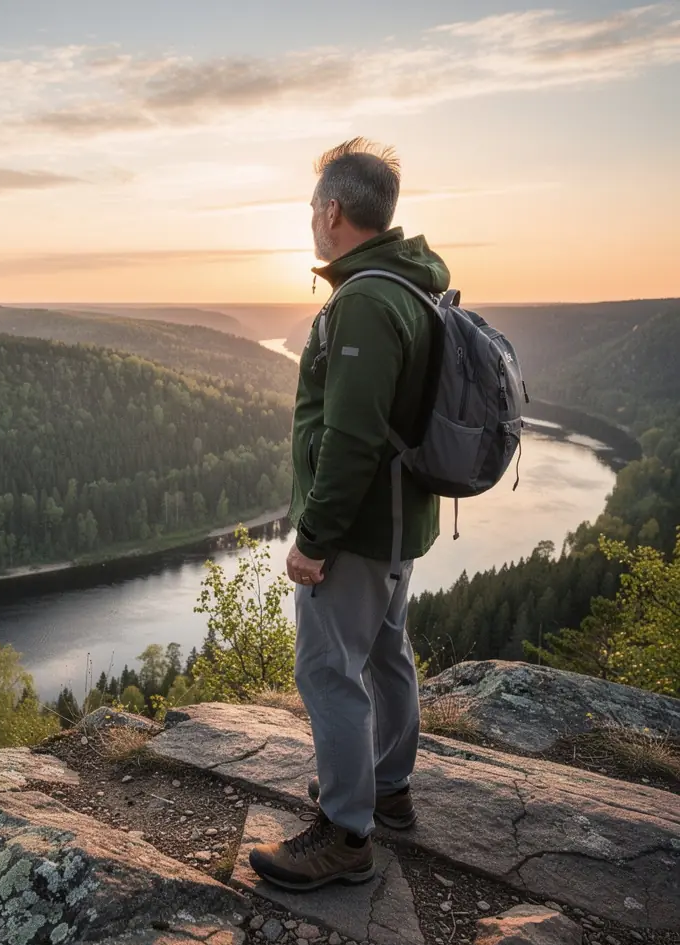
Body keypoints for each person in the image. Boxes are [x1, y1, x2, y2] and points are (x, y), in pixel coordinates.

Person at [248, 137, 449, 891]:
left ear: (333, 210)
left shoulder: (364, 298)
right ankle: (386, 791)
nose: (308, 219)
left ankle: (344, 835)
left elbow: (353, 436)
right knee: (389, 656)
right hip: (399, 524)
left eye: (311, 207)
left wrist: (314, 538)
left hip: (360, 530)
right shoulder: (409, 285)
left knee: (329, 671)